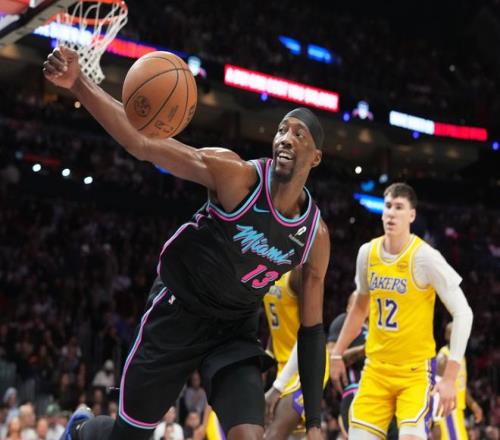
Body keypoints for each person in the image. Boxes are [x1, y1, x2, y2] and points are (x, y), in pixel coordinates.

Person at [43, 46, 329, 440]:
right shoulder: (236, 177)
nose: (286, 138)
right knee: (128, 437)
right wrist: (78, 83)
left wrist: (314, 423)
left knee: (249, 436)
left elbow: (312, 331)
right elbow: (142, 144)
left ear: (316, 157)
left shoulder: (314, 236)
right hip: (179, 310)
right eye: (281, 129)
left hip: (233, 329)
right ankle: (81, 429)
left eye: (299, 134)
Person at [331, 182, 474, 440]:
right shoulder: (367, 253)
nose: (391, 213)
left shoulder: (425, 257)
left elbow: (464, 312)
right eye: (388, 206)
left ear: (412, 215)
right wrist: (337, 353)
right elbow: (360, 307)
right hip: (375, 370)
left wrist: (450, 377)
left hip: (414, 374)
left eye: (399, 207)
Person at [263, 269, 329, 439]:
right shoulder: (265, 270)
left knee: (273, 435)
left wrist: (277, 387)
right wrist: (266, 359)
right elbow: (277, 324)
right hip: (285, 367)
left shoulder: (296, 274)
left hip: (306, 363)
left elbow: (308, 334)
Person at [327, 293, 398, 440]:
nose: (365, 305)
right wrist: (363, 350)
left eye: (368, 303)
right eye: (359, 302)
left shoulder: (377, 327)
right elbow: (329, 358)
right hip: (356, 391)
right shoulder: (343, 322)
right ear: (349, 307)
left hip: (382, 392)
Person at [432, 322, 483, 440]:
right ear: (448, 336)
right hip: (447, 413)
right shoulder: (443, 357)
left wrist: (473, 405)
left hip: (458, 412)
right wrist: (436, 422)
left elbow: (461, 387)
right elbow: (435, 389)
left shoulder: (460, 356)